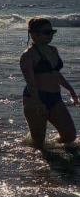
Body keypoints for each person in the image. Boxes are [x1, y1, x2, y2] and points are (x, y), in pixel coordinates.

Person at [20, 18, 77, 148]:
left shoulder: (53, 50)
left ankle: (54, 149)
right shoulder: (28, 55)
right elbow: (30, 82)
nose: (50, 35)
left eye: (52, 32)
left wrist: (71, 90)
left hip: (55, 98)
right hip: (35, 99)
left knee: (70, 136)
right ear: (33, 34)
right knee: (38, 143)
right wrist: (38, 102)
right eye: (46, 32)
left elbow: (55, 74)